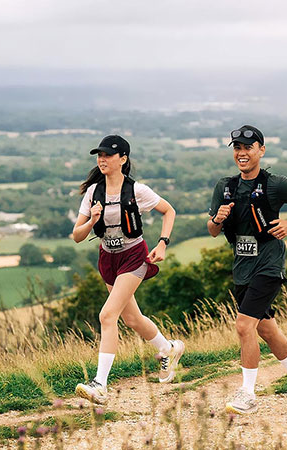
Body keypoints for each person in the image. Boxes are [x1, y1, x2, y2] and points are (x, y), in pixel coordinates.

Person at [207, 125, 287, 415]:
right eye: (237, 148)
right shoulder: (225, 187)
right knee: (266, 329)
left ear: (261, 150)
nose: (241, 153)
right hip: (242, 267)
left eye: (248, 147)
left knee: (244, 325)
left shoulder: (275, 183)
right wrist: (218, 219)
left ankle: (247, 394)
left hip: (269, 265)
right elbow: (211, 230)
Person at [72, 135, 185, 405]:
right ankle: (168, 348)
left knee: (107, 315)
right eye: (99, 155)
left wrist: (163, 243)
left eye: (108, 155)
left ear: (122, 159)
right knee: (132, 320)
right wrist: (93, 221)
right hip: (107, 259)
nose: (102, 159)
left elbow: (169, 211)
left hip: (134, 256)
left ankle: (100, 385)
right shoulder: (93, 193)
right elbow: (77, 235)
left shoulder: (138, 191)